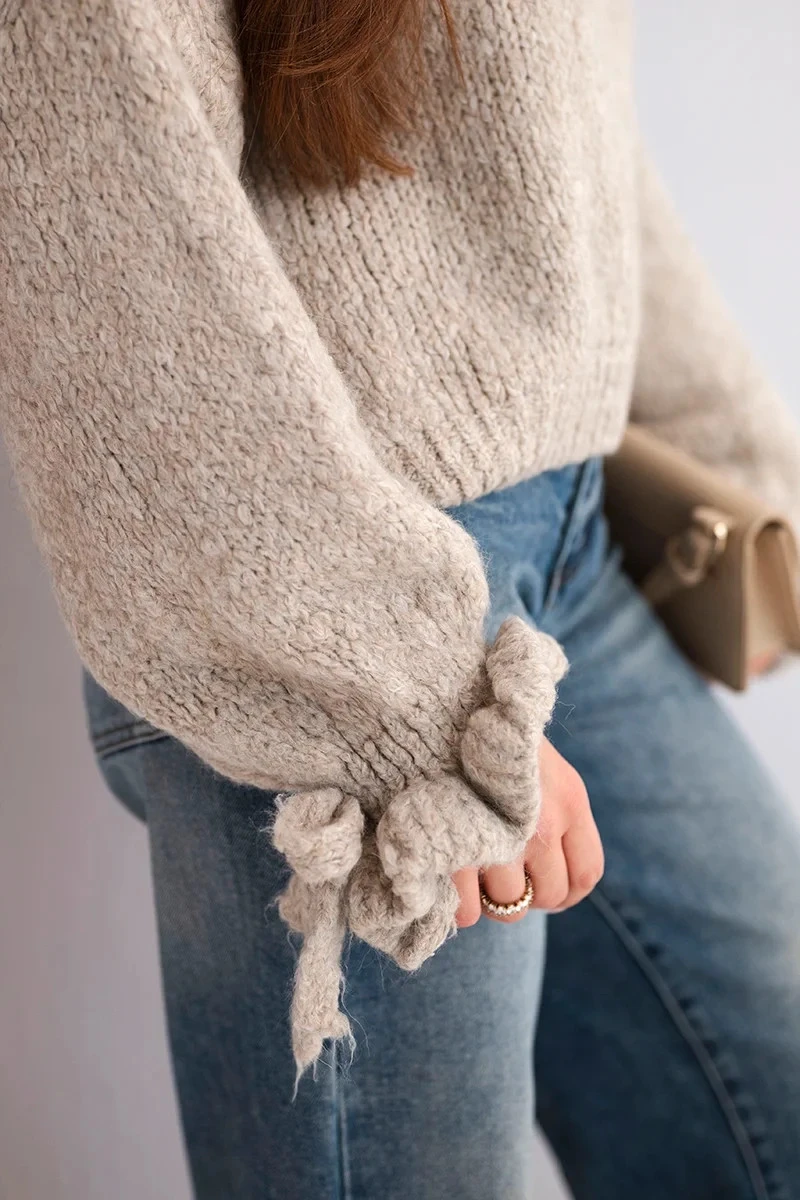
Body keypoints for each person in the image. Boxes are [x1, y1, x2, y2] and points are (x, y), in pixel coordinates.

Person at [3, 1, 800, 1196]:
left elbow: (558, 111)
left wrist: (727, 451)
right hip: (320, 602)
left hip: (574, 543)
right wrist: (396, 696)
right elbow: (99, 214)